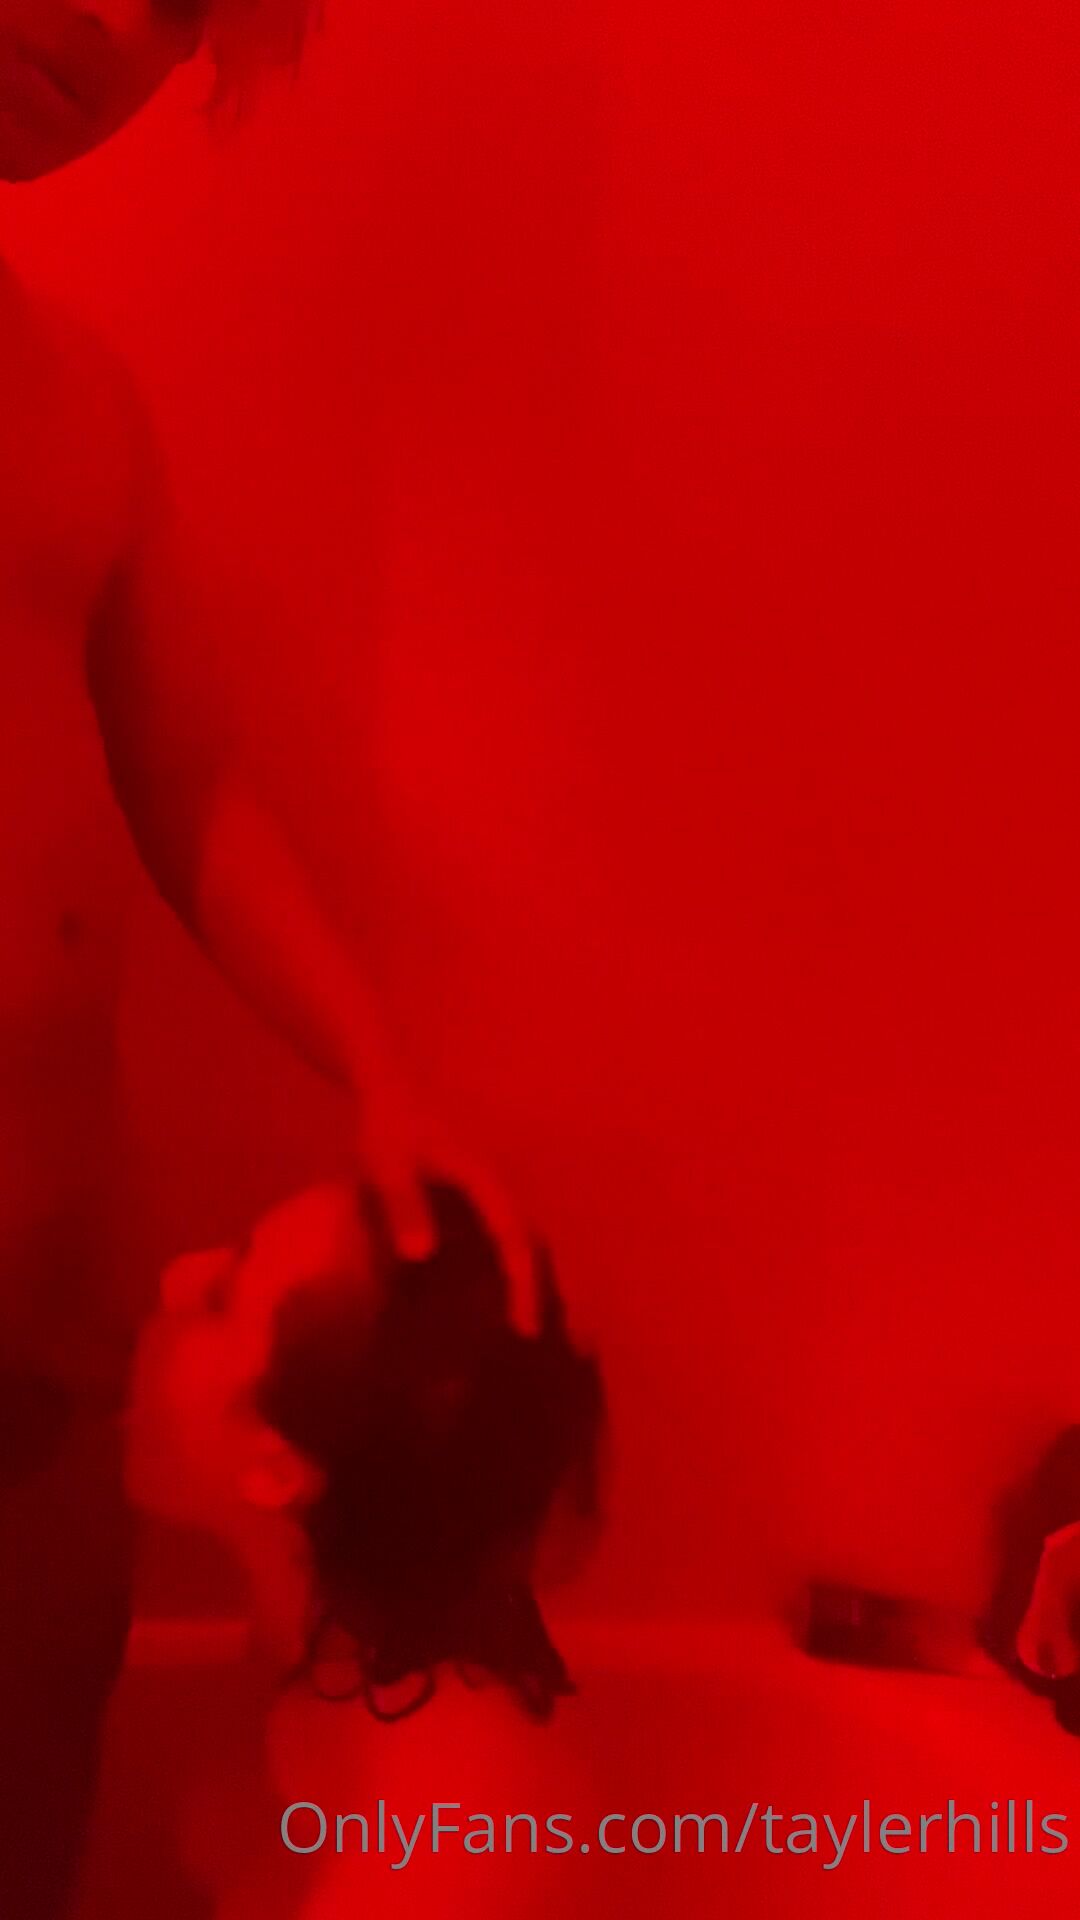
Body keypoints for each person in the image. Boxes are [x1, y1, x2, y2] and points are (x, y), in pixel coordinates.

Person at [0, 4, 528, 1913]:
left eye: (178, 4)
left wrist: (383, 1072)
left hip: (48, 1369)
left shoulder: (76, 394)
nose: (106, 19)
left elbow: (193, 787)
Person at [123, 1178, 605, 1917]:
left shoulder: (428, 1859)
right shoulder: (318, 1649)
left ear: (277, 1469)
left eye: (220, 1299)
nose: (176, 1275)